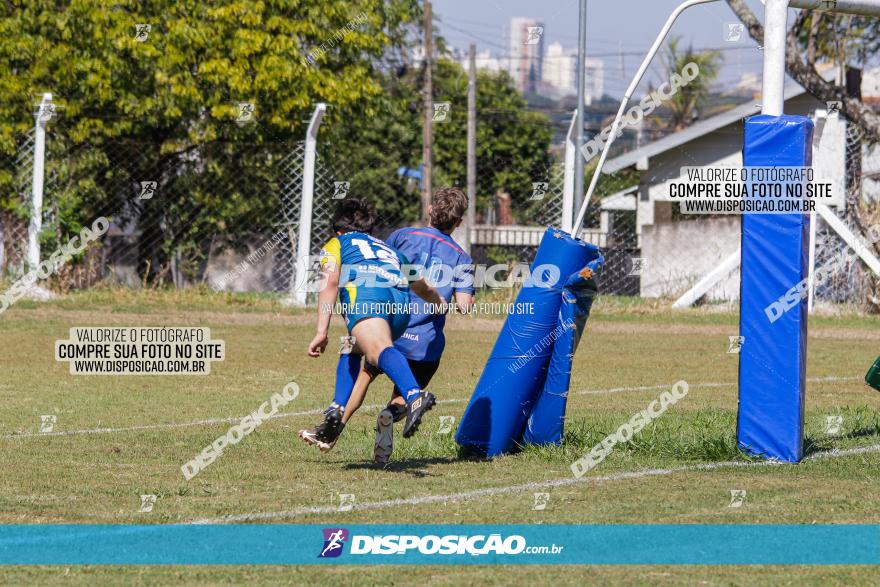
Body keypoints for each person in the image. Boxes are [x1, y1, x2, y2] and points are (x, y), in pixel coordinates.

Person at [338, 187, 476, 463]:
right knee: (404, 394)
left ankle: (335, 425)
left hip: (390, 327)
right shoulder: (462, 258)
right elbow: (463, 305)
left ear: (429, 210)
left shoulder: (402, 236)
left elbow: (382, 263)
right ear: (459, 223)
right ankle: (390, 414)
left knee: (365, 374)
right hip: (425, 344)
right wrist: (468, 295)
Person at [298, 198, 445, 452]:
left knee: (376, 351)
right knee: (351, 345)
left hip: (368, 298)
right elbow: (422, 285)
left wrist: (321, 331)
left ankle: (413, 395)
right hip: (399, 309)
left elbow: (330, 282)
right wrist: (439, 302)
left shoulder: (338, 243)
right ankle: (336, 409)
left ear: (339, 229)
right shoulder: (388, 249)